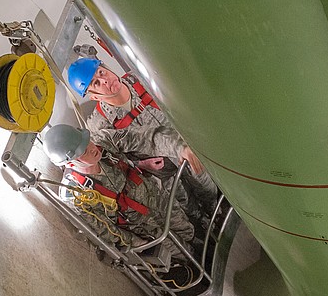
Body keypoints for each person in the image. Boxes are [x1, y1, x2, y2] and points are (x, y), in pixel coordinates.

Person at [67, 57, 218, 217]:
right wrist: (140, 164)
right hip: (162, 172)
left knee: (208, 187)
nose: (104, 81)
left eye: (101, 73)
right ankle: (208, 225)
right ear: (94, 97)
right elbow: (113, 161)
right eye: (96, 83)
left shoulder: (141, 78)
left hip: (186, 148)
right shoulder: (101, 125)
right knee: (187, 206)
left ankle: (218, 212)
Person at [41, 124, 195, 262]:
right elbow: (108, 230)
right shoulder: (75, 195)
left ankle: (200, 246)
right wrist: (140, 245)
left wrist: (176, 148)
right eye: (84, 151)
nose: (93, 148)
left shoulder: (102, 141)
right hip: (145, 227)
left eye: (87, 141)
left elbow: (145, 137)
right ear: (70, 163)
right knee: (182, 253)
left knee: (188, 231)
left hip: (158, 198)